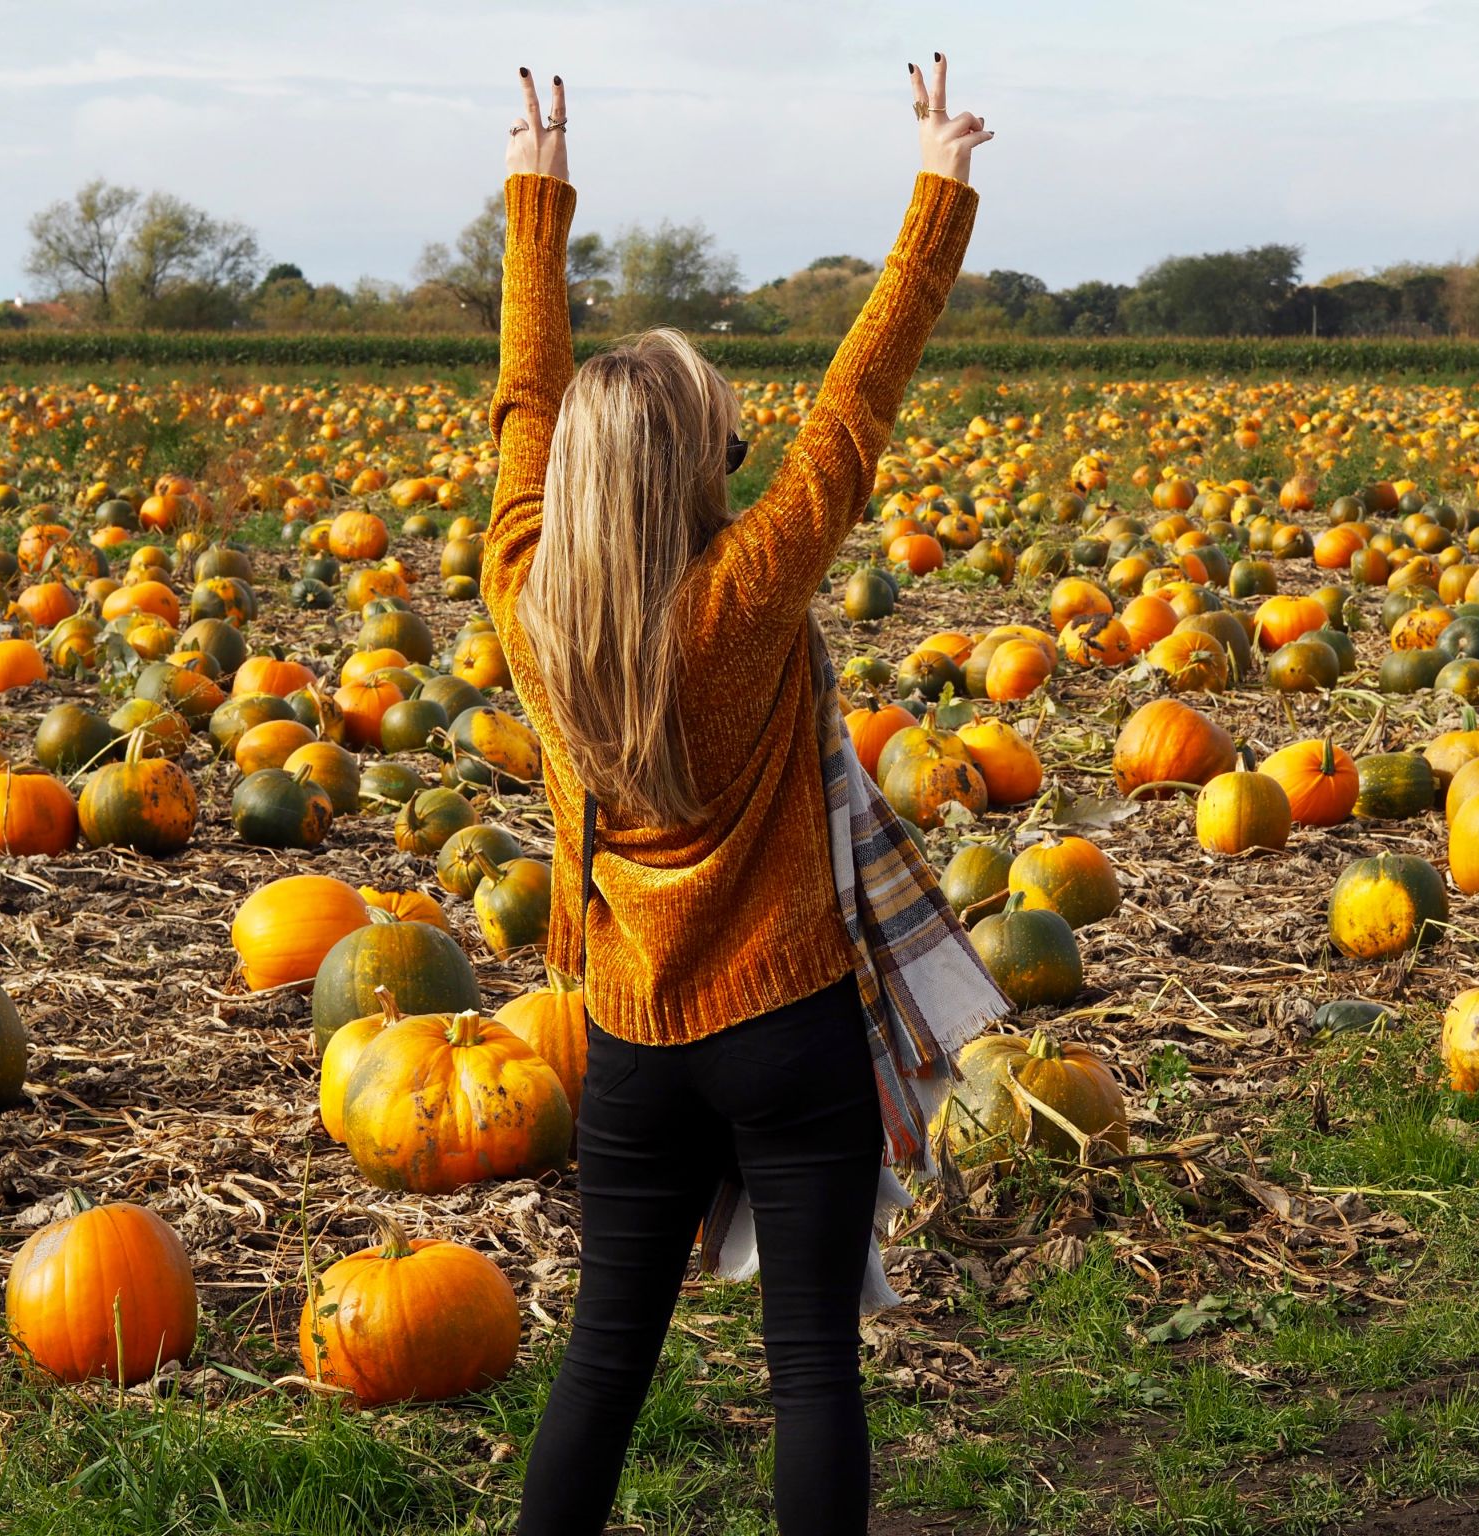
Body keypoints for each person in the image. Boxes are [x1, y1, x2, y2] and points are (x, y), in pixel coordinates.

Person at [480, 54, 994, 1536]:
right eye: (729, 444)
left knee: (603, 1362)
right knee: (813, 1376)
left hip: (631, 1041)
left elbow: (526, 399)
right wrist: (937, 197)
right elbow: (856, 409)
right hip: (786, 1032)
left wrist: (536, 196)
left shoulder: (531, 605)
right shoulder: (738, 601)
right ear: (698, 476)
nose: (752, 454)